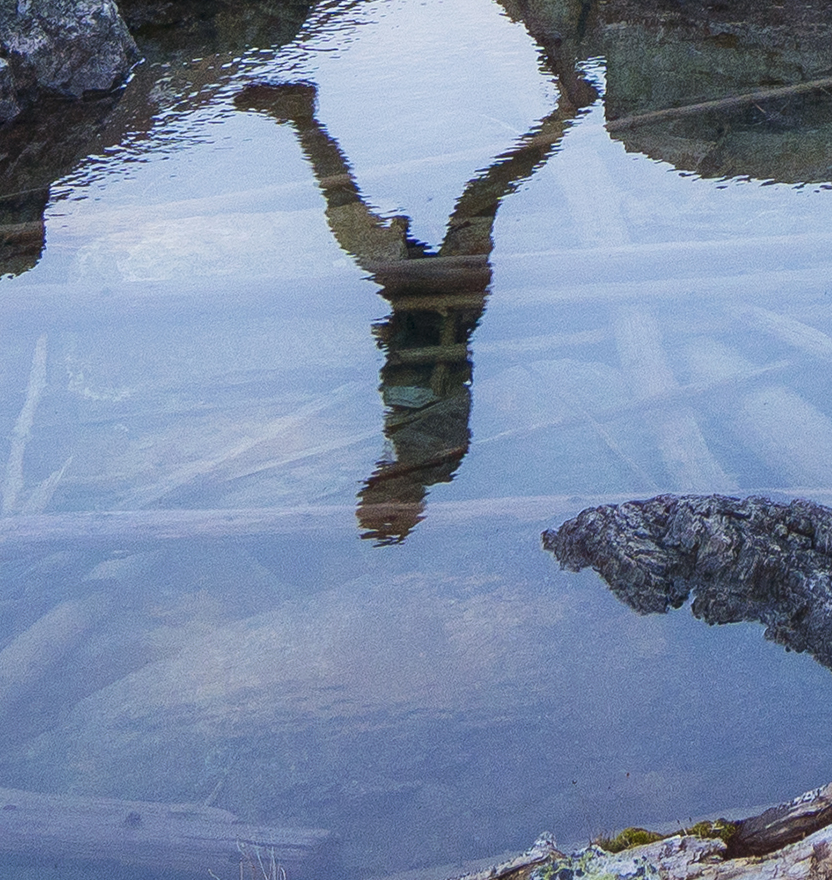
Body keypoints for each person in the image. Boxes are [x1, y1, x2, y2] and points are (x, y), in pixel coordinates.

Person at [241, 61, 587, 541]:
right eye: (377, 494)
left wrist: (393, 338)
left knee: (405, 217)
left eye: (368, 489)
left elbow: (416, 382)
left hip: (419, 301)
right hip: (450, 297)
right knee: (475, 199)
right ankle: (567, 113)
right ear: (405, 501)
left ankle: (302, 118)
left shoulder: (401, 454)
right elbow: (443, 385)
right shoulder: (436, 458)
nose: (372, 481)